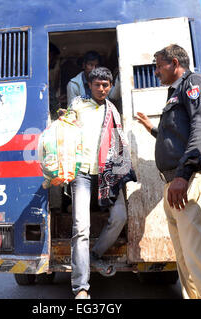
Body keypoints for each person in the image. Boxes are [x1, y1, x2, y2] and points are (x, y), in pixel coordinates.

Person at [136, 44, 201, 299]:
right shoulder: (175, 92)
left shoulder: (194, 82)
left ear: (175, 63)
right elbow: (176, 136)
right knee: (186, 261)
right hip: (177, 184)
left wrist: (183, 174)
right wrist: (151, 128)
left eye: (159, 65)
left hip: (191, 181)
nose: (156, 71)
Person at [68, 67, 134, 299]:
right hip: (82, 174)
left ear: (111, 86)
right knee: (81, 228)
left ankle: (95, 254)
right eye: (97, 85)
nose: (102, 89)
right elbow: (65, 133)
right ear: (90, 84)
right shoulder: (77, 105)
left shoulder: (113, 110)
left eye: (106, 85)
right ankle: (81, 287)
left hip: (108, 174)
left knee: (120, 217)